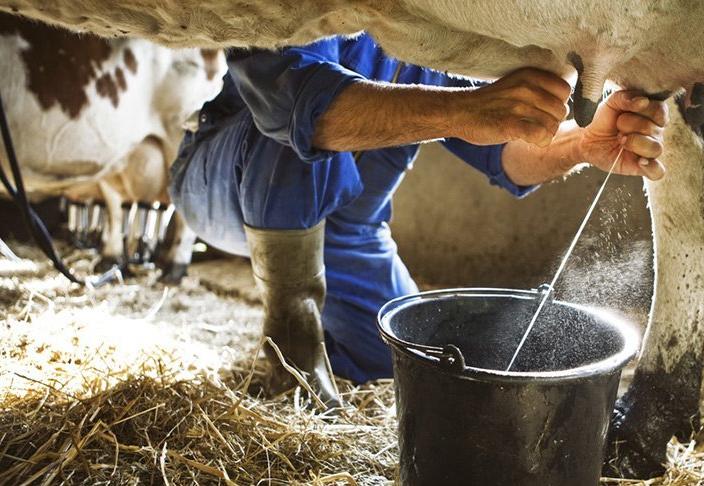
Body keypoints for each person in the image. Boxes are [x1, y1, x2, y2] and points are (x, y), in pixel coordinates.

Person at [169, 33, 668, 406]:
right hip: (223, 180)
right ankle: (291, 350)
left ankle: (332, 342)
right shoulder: (308, 12)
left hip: (349, 234)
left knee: (403, 362)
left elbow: (508, 154)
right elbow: (298, 106)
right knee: (298, 130)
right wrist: (467, 110)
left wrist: (582, 143)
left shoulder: (430, 32)